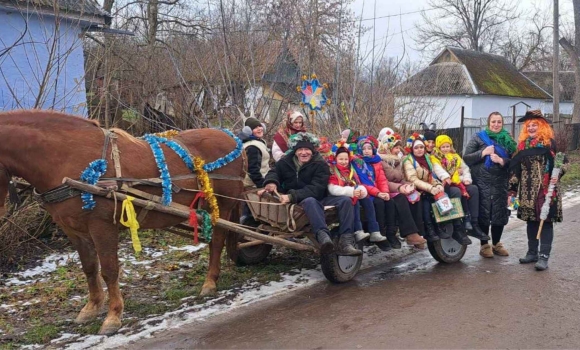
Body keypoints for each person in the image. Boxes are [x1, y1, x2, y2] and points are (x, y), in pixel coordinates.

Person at [262, 132, 362, 256]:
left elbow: (317, 188)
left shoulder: (320, 164)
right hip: (295, 202)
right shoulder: (286, 162)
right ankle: (323, 236)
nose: (304, 152)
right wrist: (271, 182)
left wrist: (292, 196)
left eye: (307, 149)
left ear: (312, 151)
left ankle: (346, 241)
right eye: (300, 149)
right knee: (309, 201)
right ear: (295, 151)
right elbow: (274, 172)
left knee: (345, 200)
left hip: (316, 198)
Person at [508, 110, 567, 271]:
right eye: (529, 125)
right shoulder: (522, 146)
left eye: (535, 125)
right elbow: (515, 170)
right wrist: (512, 190)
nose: (531, 128)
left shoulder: (550, 144)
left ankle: (543, 257)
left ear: (541, 127)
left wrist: (558, 173)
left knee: (545, 221)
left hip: (546, 189)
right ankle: (532, 253)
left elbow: (563, 162)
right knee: (531, 221)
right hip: (527, 190)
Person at [354, 135, 426, 249]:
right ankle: (383, 234)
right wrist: (386, 191)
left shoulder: (379, 161)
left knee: (411, 197)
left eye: (369, 148)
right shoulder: (361, 162)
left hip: (384, 190)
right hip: (371, 192)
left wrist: (388, 191)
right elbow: (366, 181)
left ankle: (407, 233)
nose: (367, 151)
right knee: (386, 202)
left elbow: (382, 179)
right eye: (364, 149)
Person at [463, 112, 516, 258]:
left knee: (499, 213)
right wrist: (482, 152)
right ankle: (484, 245)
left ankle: (497, 244)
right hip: (482, 182)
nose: (496, 124)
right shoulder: (478, 137)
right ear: (488, 123)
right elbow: (466, 158)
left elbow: (515, 163)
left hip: (500, 182)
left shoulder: (508, 141)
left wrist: (501, 161)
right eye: (493, 122)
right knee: (484, 213)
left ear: (502, 124)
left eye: (499, 122)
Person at [402, 134, 471, 245]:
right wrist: (431, 188)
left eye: (421, 147)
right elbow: (413, 179)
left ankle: (450, 226)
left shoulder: (427, 159)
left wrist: (438, 185)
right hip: (416, 189)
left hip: (428, 187)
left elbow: (431, 176)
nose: (419, 150)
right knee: (425, 202)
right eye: (416, 148)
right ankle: (429, 230)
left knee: (446, 193)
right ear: (412, 149)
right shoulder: (409, 160)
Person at [431, 135, 490, 241]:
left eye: (447, 146)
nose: (445, 149)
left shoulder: (455, 157)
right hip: (445, 184)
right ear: (438, 147)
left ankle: (473, 222)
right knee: (456, 192)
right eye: (443, 147)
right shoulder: (436, 157)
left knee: (473, 189)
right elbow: (438, 169)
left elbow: (464, 168)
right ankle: (457, 226)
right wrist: (446, 176)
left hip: (458, 181)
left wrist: (466, 178)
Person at [327, 142, 385, 244]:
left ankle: (374, 230)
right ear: (335, 159)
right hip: (339, 196)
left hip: (352, 192)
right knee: (354, 201)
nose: (344, 162)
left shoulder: (350, 170)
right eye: (341, 159)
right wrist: (351, 192)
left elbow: (356, 182)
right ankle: (358, 230)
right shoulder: (332, 171)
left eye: (346, 159)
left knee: (366, 199)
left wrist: (360, 190)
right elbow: (332, 188)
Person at [377, 129, 426, 245]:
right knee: (401, 198)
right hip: (385, 190)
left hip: (397, 187)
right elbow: (383, 181)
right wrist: (400, 188)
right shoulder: (380, 161)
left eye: (399, 148)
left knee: (415, 196)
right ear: (387, 148)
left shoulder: (397, 161)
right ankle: (410, 233)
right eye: (395, 148)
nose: (398, 150)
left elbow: (400, 178)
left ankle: (418, 232)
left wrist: (407, 185)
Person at [239, 117, 270, 225]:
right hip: (253, 184)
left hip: (257, 182)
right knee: (251, 210)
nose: (259, 129)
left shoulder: (257, 142)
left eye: (259, 126)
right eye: (255, 128)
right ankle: (244, 228)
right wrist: (262, 184)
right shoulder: (252, 147)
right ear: (248, 130)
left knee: (251, 209)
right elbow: (253, 170)